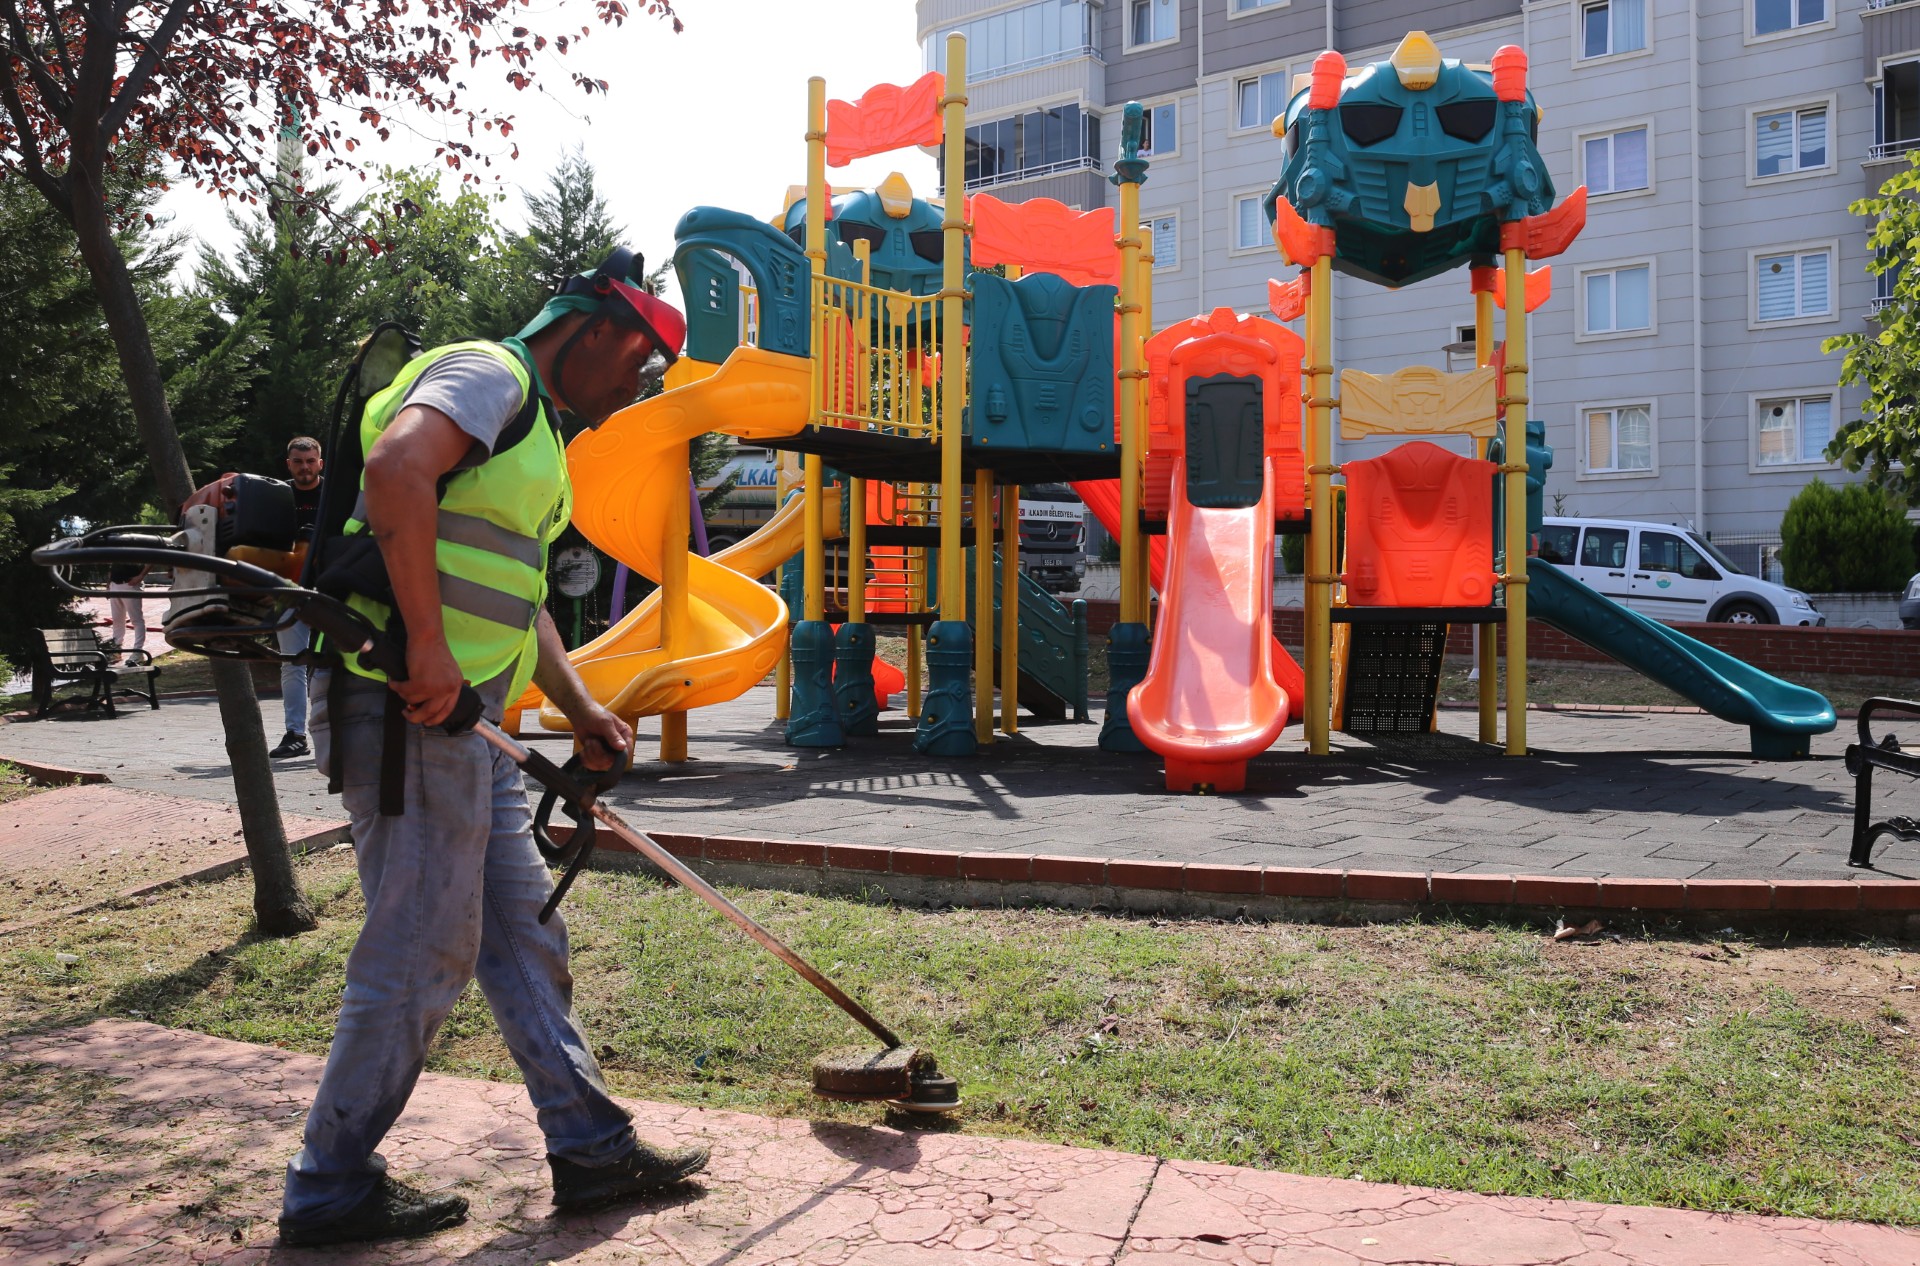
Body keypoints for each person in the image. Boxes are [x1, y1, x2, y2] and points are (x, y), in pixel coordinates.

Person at [276, 254, 704, 1248]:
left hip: (470, 724)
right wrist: (425, 644)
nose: (632, 390)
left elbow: (516, 599)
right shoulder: (488, 375)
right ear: (592, 330)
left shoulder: (541, 441)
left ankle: (589, 1146)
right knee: (424, 946)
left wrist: (581, 704)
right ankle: (329, 1181)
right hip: (408, 711)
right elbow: (396, 473)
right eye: (638, 366)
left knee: (522, 938)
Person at [269, 437, 325, 759]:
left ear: (320, 463)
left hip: (331, 588)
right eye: (298, 461)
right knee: (292, 663)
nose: (305, 467)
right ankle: (296, 734)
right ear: (288, 464)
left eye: (310, 461)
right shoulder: (277, 495)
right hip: (288, 588)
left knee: (340, 661)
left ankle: (342, 729)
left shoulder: (335, 493)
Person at [105, 561, 148, 659]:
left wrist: (141, 576)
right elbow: (112, 563)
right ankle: (116, 649)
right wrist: (109, 583)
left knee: (136, 620)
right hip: (114, 584)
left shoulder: (138, 545)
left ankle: (138, 651)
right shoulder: (117, 546)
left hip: (131, 584)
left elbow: (152, 558)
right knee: (117, 619)